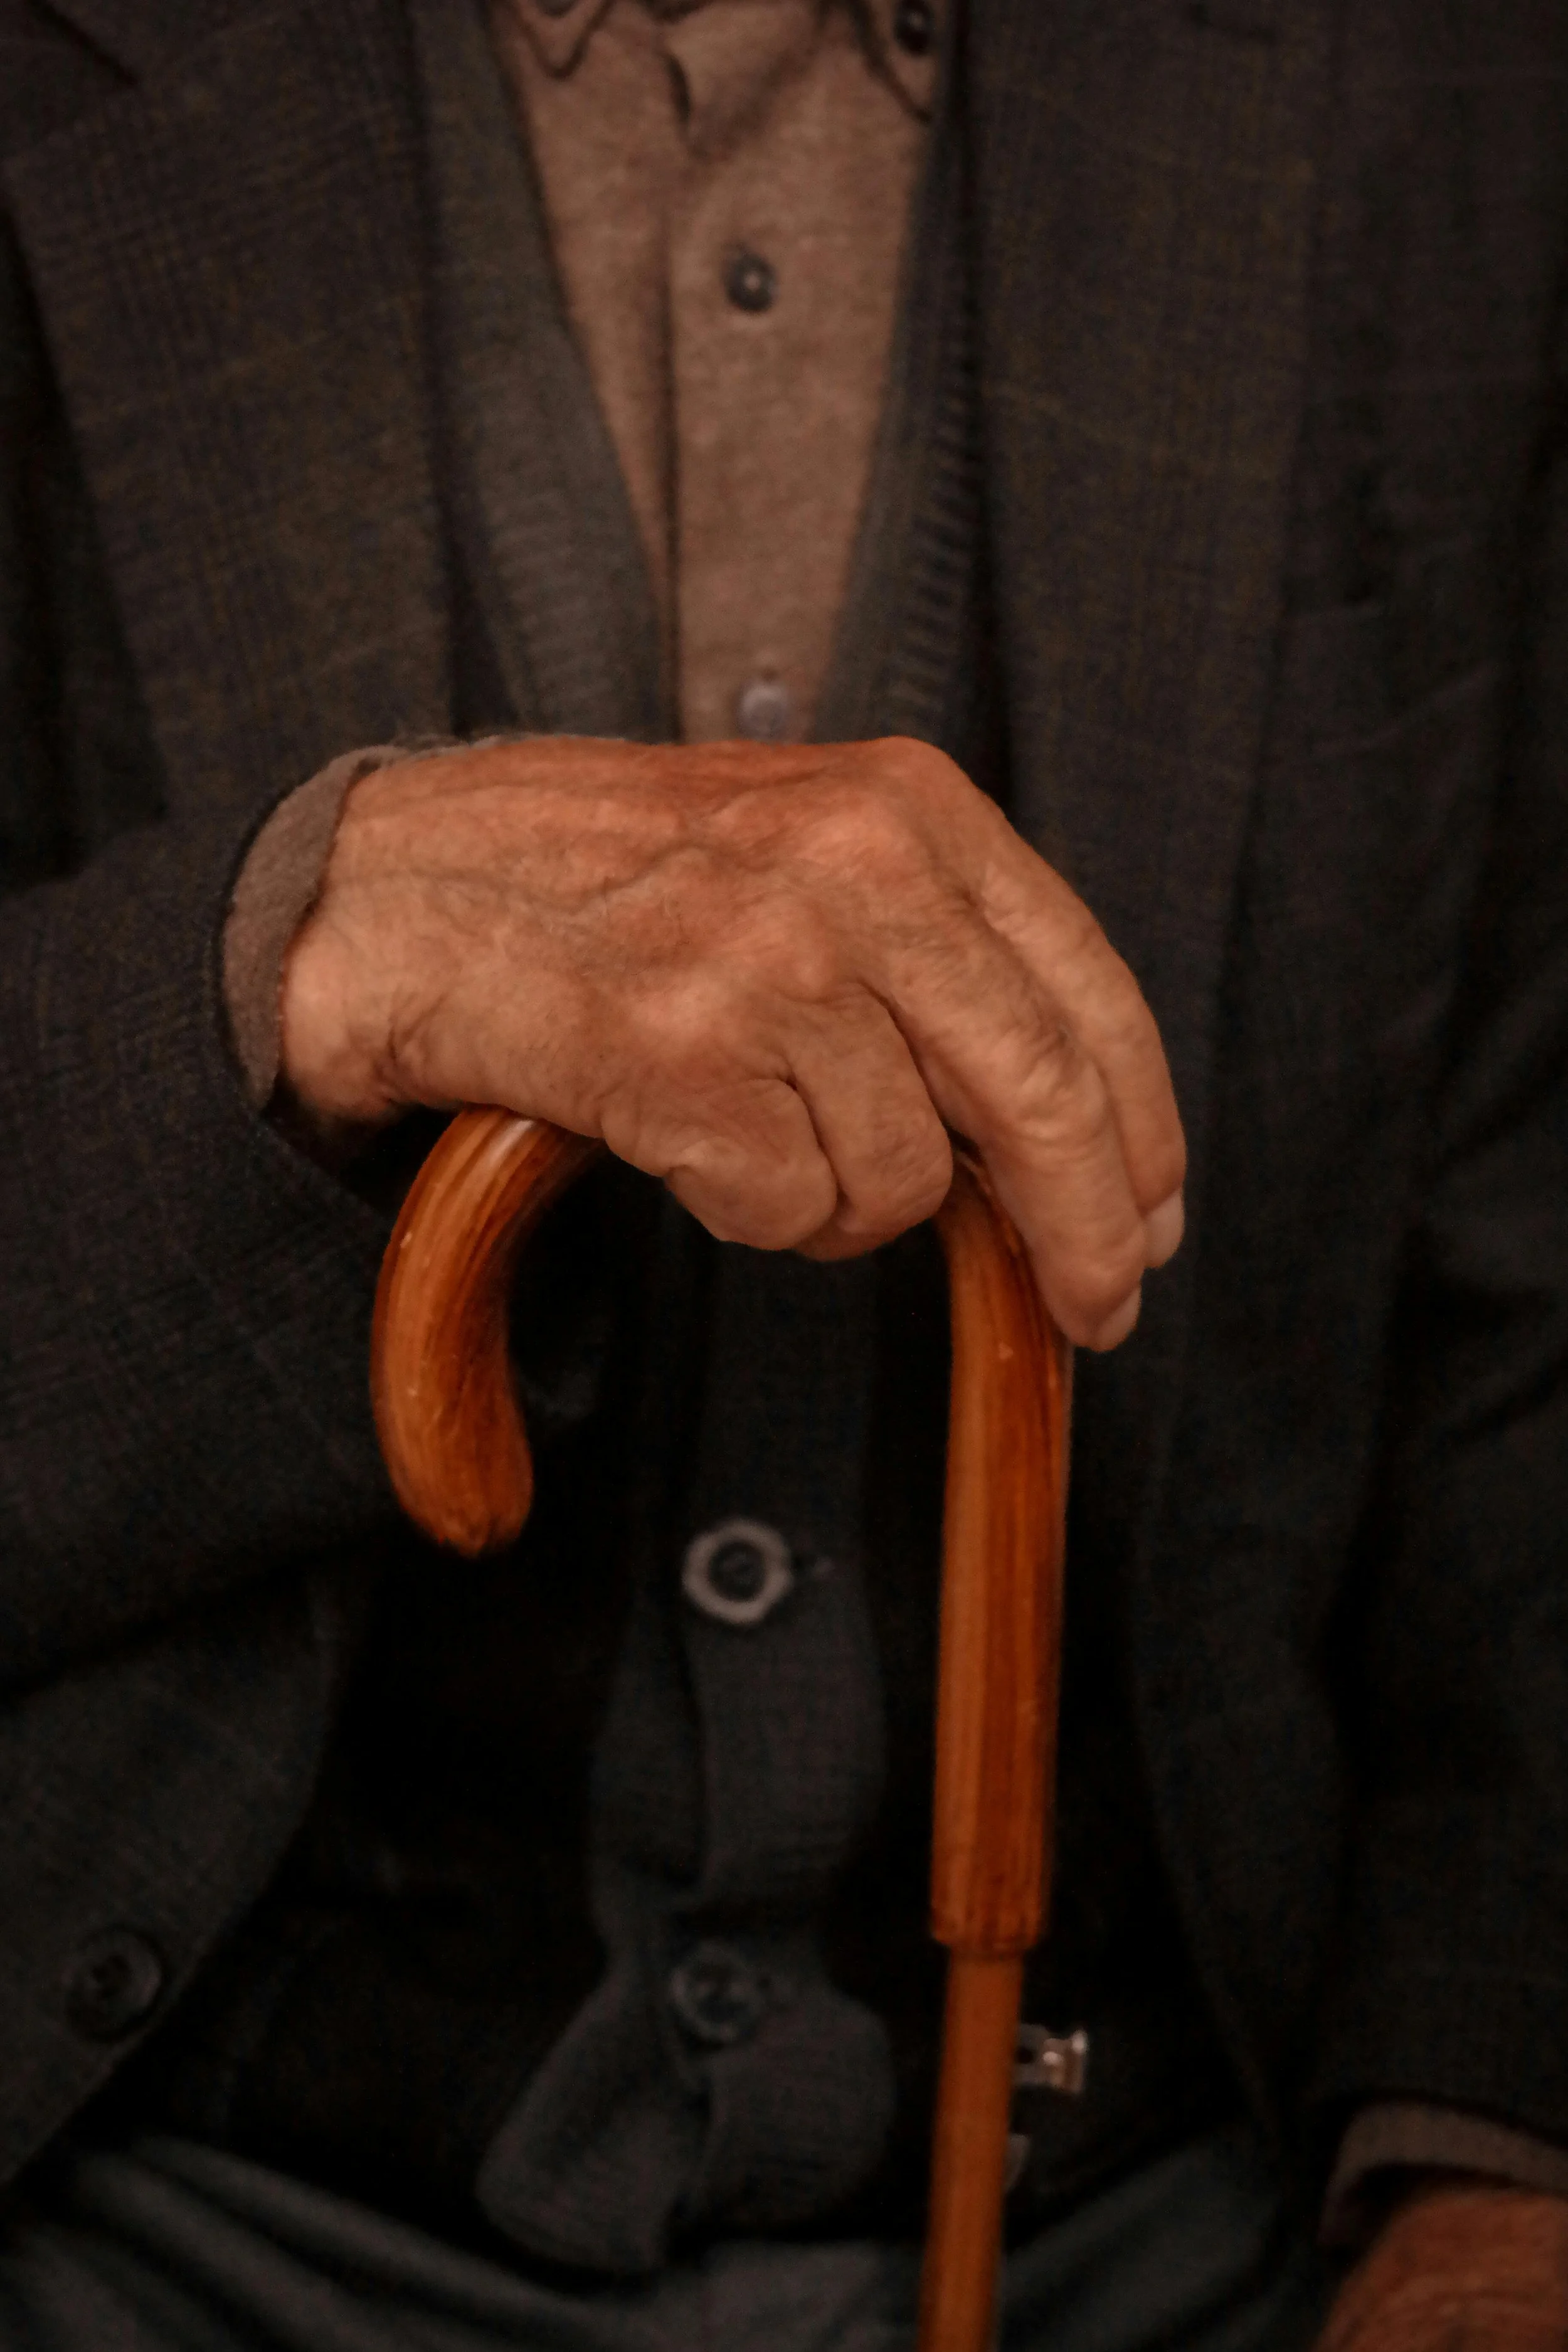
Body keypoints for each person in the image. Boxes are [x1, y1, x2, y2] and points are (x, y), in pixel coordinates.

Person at [1, 0, 1566, 2344]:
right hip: (149, 2154)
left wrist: (1490, 2151)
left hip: (1190, 2184)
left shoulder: (1447, 81)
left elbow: (1523, 1252)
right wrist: (304, 960)